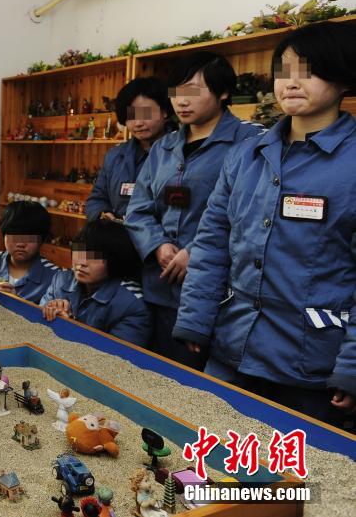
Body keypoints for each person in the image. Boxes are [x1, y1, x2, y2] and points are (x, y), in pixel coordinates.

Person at [173, 22, 356, 427]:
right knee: (209, 466)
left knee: (287, 485)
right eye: (283, 71)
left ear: (342, 77)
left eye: (306, 71)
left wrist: (353, 367)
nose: (290, 83)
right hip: (231, 350)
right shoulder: (245, 156)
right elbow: (211, 244)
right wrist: (196, 321)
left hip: (311, 369)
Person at [124, 51, 263, 368]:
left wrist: (195, 252)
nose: (181, 102)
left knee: (200, 389)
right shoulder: (164, 146)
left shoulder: (248, 143)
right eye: (176, 93)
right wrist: (156, 244)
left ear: (223, 92)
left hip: (217, 292)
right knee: (156, 376)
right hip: (159, 286)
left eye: (193, 92)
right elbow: (139, 209)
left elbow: (253, 218)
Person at [40, 220, 151, 347]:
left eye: (94, 257)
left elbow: (116, 358)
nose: (82, 263)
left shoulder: (133, 304)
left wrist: (69, 326)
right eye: (80, 252)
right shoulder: (62, 279)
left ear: (116, 259)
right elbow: (37, 322)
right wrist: (50, 311)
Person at [86, 77, 174, 222]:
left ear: (164, 111)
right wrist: (102, 215)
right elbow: (97, 198)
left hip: (162, 243)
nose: (138, 123)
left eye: (145, 113)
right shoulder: (115, 155)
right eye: (131, 116)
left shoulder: (182, 153)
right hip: (118, 239)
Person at [0, 200, 61, 304]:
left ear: (42, 239)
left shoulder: (56, 277)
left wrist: (17, 302)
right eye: (14, 235)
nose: (20, 244)